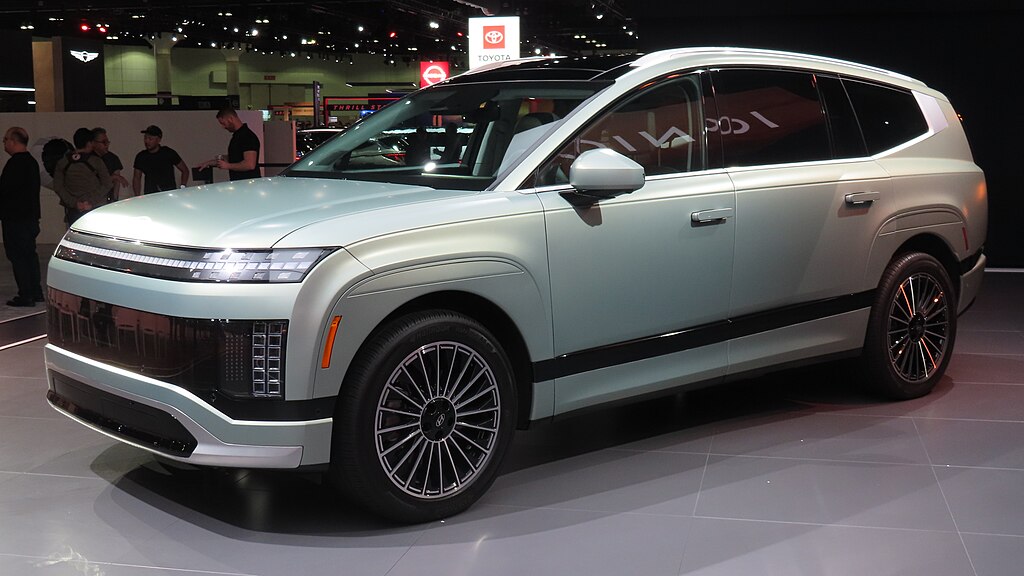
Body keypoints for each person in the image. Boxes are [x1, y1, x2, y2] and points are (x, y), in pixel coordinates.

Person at [1, 127, 44, 307]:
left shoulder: (15, 164)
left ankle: (25, 294)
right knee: (29, 255)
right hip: (30, 218)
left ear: (13, 141)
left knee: (18, 256)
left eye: (5, 140)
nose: (4, 143)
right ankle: (36, 291)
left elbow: (5, 191)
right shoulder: (31, 162)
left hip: (16, 219)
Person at [53, 127, 111, 227]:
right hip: (95, 208)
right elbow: (107, 184)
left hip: (73, 210)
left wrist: (75, 203)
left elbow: (58, 187)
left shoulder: (63, 162)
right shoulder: (96, 161)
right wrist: (90, 202)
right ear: (89, 143)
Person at [196, 108, 261, 180]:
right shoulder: (239, 136)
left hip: (247, 182)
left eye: (223, 123)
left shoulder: (247, 137)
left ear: (230, 119)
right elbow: (237, 158)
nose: (223, 127)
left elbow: (250, 164)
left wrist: (227, 166)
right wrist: (209, 163)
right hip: (241, 182)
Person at [133, 125, 188, 195]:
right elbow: (137, 178)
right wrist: (137, 196)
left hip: (169, 194)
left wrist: (183, 187)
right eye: (145, 138)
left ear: (158, 140)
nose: (147, 141)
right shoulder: (141, 156)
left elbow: (185, 170)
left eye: (150, 139)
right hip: (150, 195)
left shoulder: (168, 153)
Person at [91, 127, 130, 202]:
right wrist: (113, 177)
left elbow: (116, 183)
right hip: (92, 199)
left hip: (108, 199)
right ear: (94, 143)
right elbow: (92, 181)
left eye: (107, 142)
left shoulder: (113, 158)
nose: (106, 145)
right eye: (103, 142)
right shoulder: (89, 159)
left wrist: (115, 199)